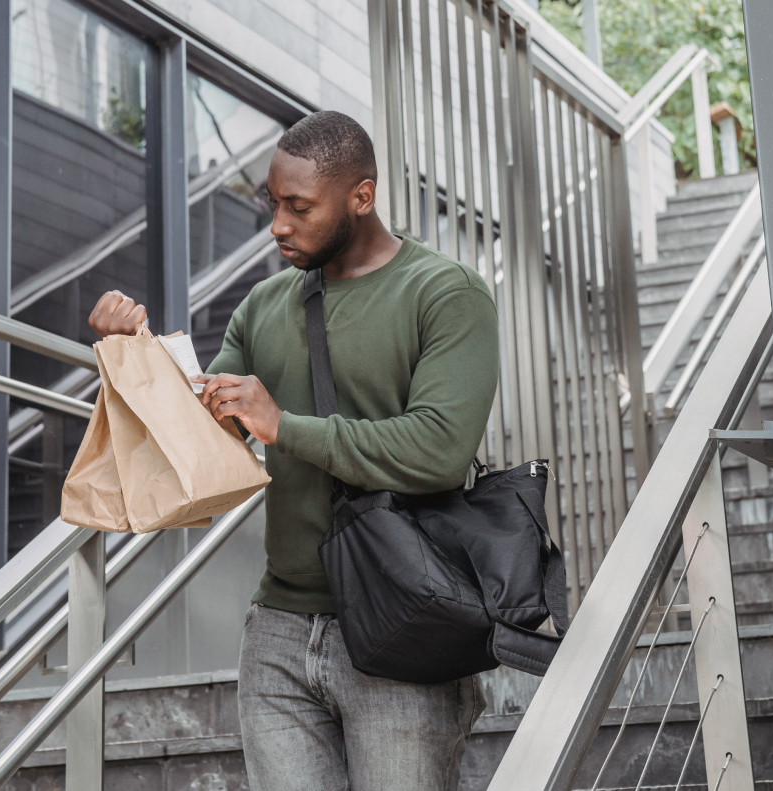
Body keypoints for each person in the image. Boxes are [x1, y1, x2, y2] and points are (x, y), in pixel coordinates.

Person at [88, 111, 499, 791]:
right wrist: (132, 357)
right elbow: (206, 439)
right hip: (278, 631)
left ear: (360, 197)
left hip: (405, 627)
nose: (277, 223)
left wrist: (286, 426)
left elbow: (439, 451)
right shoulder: (263, 305)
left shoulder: (445, 293)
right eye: (272, 204)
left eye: (297, 206)